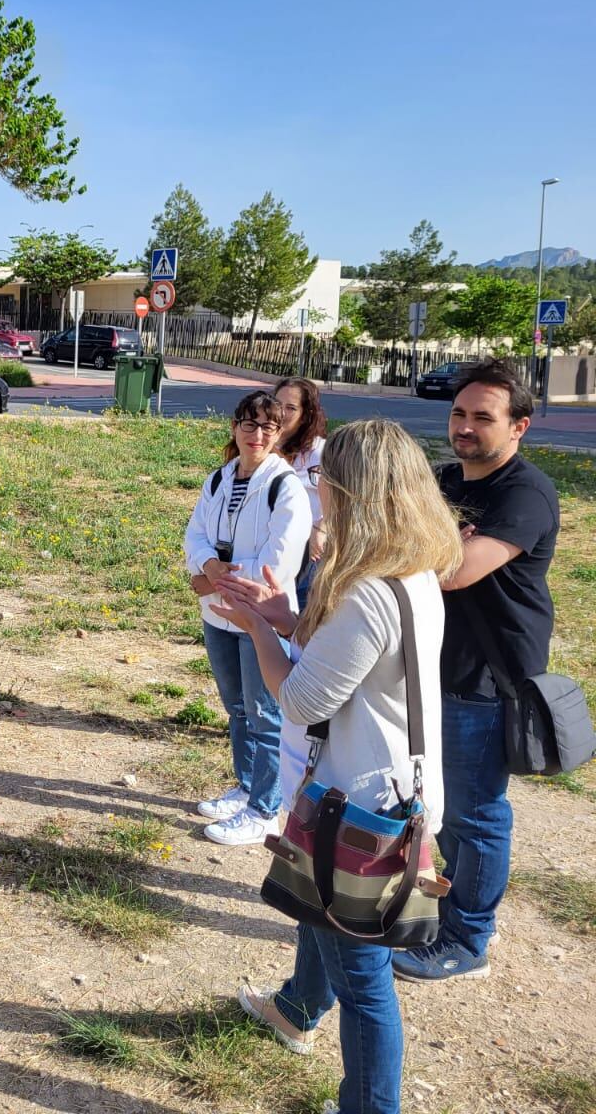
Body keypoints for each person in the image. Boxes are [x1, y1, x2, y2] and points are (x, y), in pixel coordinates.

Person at [212, 419, 462, 1114]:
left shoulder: (365, 591)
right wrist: (286, 617)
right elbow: (352, 662)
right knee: (320, 914)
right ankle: (295, 1007)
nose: (316, 489)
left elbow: (298, 696)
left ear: (351, 492)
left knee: (365, 983)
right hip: (389, 788)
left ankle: (371, 1107)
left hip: (357, 808)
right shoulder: (412, 574)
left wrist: (259, 628)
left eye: (324, 479)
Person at [393, 359, 559, 984]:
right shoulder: (443, 478)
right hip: (433, 669)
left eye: (482, 417)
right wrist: (438, 539)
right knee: (444, 808)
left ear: (519, 426)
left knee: (477, 814)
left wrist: (435, 545)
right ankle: (446, 911)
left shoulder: (525, 493)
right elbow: (404, 540)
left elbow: (454, 569)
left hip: (488, 679)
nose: (465, 426)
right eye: (459, 413)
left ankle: (468, 940)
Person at [183, 390, 311, 845]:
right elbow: (195, 533)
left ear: (278, 435)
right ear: (235, 428)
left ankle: (265, 809)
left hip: (260, 617)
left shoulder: (285, 486)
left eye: (267, 428)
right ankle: (246, 787)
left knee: (265, 712)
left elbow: (279, 562)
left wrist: (214, 577)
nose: (256, 435)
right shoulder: (218, 479)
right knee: (237, 708)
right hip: (218, 613)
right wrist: (208, 567)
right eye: (249, 425)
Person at [273, 376, 328, 608]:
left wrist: (321, 528)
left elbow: (344, 497)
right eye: (278, 405)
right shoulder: (262, 445)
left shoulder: (319, 451)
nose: (282, 413)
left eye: (291, 408)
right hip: (274, 547)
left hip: (310, 553)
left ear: (306, 414)